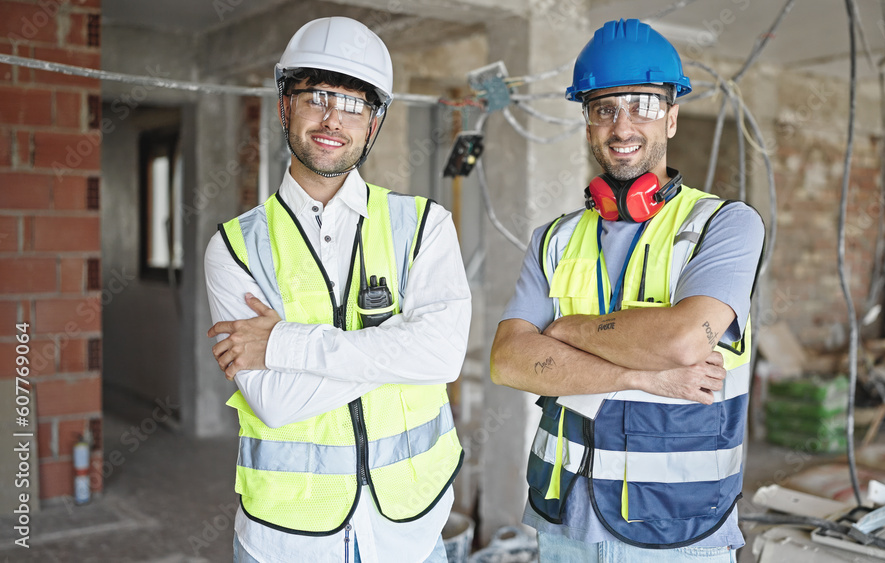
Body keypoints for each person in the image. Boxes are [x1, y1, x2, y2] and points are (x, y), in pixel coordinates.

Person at [490, 18, 764, 562]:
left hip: (680, 523)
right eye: (604, 109)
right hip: (563, 517)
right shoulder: (554, 238)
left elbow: (684, 343)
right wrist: (645, 375)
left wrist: (565, 331)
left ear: (673, 116)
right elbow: (508, 362)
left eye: (643, 105)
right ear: (588, 123)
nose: (623, 126)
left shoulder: (725, 225)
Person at [204, 17, 470, 563]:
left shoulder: (424, 226)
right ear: (285, 106)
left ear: (373, 123)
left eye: (353, 104)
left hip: (410, 537)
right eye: (317, 96)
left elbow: (443, 356)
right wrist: (398, 351)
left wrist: (282, 344)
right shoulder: (234, 248)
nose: (332, 119)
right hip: (284, 540)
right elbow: (274, 402)